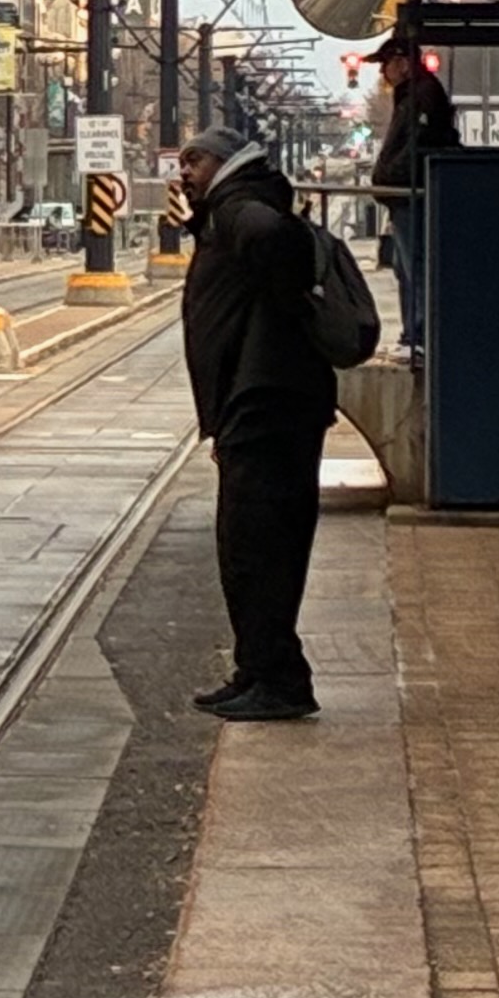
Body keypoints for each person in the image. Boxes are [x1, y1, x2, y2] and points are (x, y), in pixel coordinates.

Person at [177, 127, 341, 722]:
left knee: (259, 545)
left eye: (193, 160)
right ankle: (259, 668)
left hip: (268, 400)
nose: (184, 172)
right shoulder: (239, 204)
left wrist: (286, 301)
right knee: (249, 543)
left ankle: (279, 679)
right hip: (261, 400)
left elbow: (279, 244)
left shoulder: (242, 206)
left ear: (223, 162)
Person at [368, 38, 458, 355]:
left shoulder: (421, 96)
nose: (383, 71)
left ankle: (418, 335)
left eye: (386, 63)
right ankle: (413, 333)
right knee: (404, 266)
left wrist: (389, 176)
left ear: (403, 62)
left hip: (411, 196)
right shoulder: (413, 95)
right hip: (404, 197)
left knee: (414, 265)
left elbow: (416, 146)